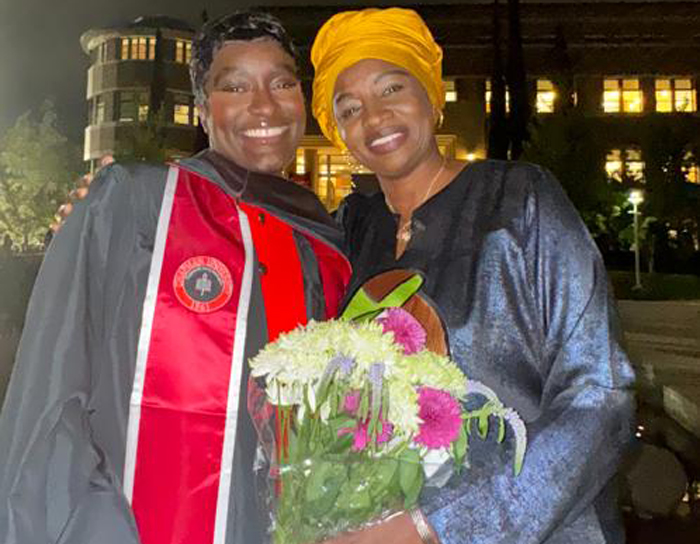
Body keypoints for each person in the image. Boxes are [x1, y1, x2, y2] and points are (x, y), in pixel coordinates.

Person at [0, 11, 350, 544]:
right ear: (203, 110)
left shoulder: (324, 246)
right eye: (235, 86)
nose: (264, 106)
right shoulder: (137, 205)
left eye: (281, 83)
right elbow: (52, 398)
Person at [311, 8, 635, 544]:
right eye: (349, 108)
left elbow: (600, 393)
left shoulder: (520, 201)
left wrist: (437, 524)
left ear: (431, 97)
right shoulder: (351, 230)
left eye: (392, 88)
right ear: (339, 131)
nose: (374, 117)